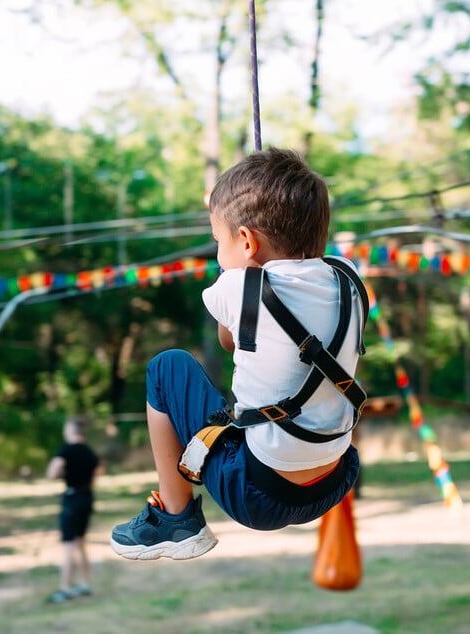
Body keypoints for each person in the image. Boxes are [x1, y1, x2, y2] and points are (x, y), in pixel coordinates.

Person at [110, 147, 367, 561]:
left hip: (256, 491)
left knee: (167, 367)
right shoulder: (349, 281)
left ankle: (177, 518)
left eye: (217, 241)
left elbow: (230, 342)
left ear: (245, 241)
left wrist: (237, 273)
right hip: (336, 476)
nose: (217, 254)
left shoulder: (238, 287)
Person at [45, 417, 103, 603]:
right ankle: (85, 583)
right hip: (87, 497)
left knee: (69, 544)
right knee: (81, 542)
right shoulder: (89, 452)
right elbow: (100, 470)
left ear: (69, 431)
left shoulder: (66, 450)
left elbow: (52, 474)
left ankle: (65, 588)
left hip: (71, 499)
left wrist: (64, 473)